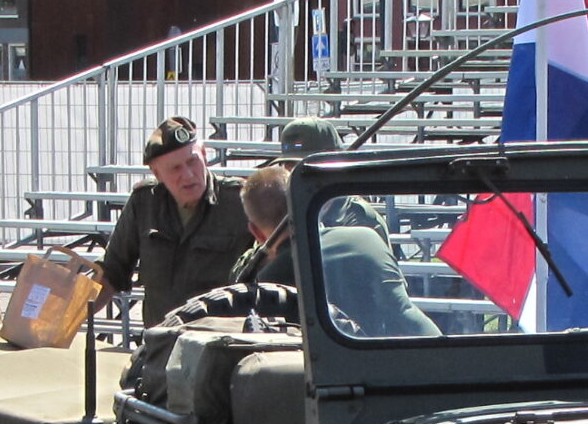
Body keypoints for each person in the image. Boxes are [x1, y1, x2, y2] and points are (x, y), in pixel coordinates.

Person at [237, 159, 439, 339]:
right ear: (318, 206)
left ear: (256, 232)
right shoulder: (366, 239)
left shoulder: (265, 283)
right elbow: (404, 314)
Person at [98, 116, 253, 324]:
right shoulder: (144, 203)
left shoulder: (240, 201)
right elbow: (112, 273)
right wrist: (70, 317)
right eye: (175, 168)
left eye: (192, 162)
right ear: (157, 173)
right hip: (160, 346)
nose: (188, 175)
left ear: (205, 156)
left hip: (220, 347)